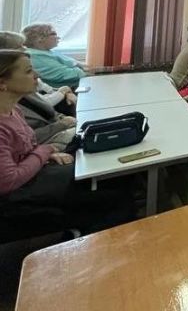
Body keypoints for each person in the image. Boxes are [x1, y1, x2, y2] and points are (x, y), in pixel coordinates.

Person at [0, 50, 135, 240]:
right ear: (2, 83)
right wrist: (45, 152)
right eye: (29, 71)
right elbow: (8, 181)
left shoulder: (13, 110)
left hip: (36, 175)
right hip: (17, 198)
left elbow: (25, 148)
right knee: (116, 197)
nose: (36, 75)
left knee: (114, 176)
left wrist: (46, 155)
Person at [0, 31, 77, 116]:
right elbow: (44, 103)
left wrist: (66, 91)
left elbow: (48, 90)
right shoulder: (17, 85)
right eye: (20, 46)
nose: (25, 49)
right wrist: (63, 91)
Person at [22, 24, 87, 89]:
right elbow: (65, 74)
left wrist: (83, 67)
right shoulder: (36, 56)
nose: (58, 37)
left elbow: (75, 63)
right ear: (40, 38)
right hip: (66, 90)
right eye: (53, 34)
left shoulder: (47, 51)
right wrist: (84, 70)